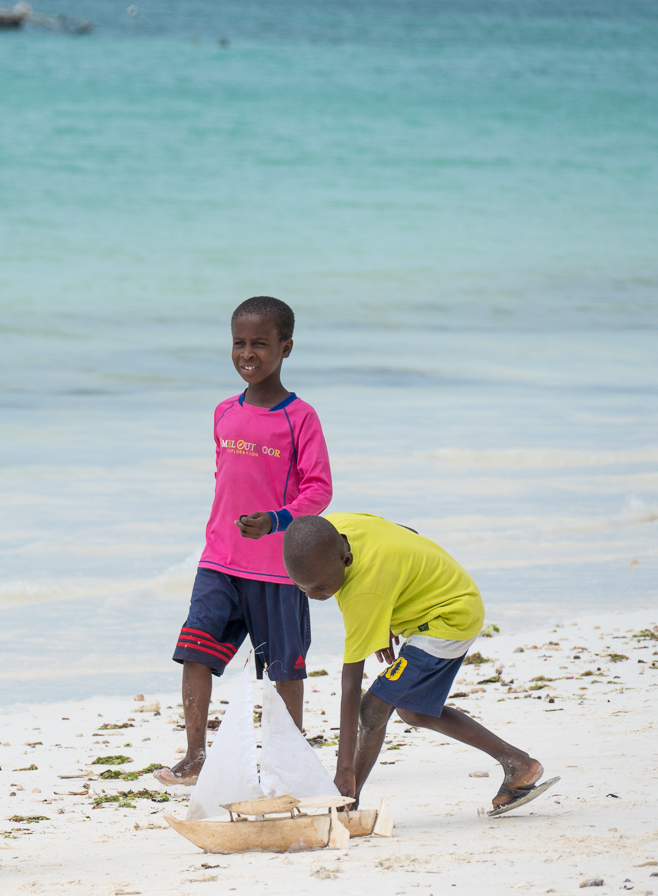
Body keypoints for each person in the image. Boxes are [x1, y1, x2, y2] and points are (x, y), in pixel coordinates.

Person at [159, 297, 332, 786]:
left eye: (260, 343)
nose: (247, 353)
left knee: (284, 670)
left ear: (286, 347)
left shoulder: (300, 417)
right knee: (195, 650)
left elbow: (318, 488)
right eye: (239, 342)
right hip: (219, 560)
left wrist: (278, 520)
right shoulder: (222, 413)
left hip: (279, 568)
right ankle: (196, 756)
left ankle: (288, 760)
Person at [282, 513, 556, 815]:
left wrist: (344, 767)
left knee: (372, 709)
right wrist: (383, 612)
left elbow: (350, 684)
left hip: (449, 617)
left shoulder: (363, 591)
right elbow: (404, 532)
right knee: (411, 710)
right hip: (439, 606)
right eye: (301, 588)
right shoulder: (337, 527)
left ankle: (348, 800)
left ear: (346, 560)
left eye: (320, 588)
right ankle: (518, 764)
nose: (312, 596)